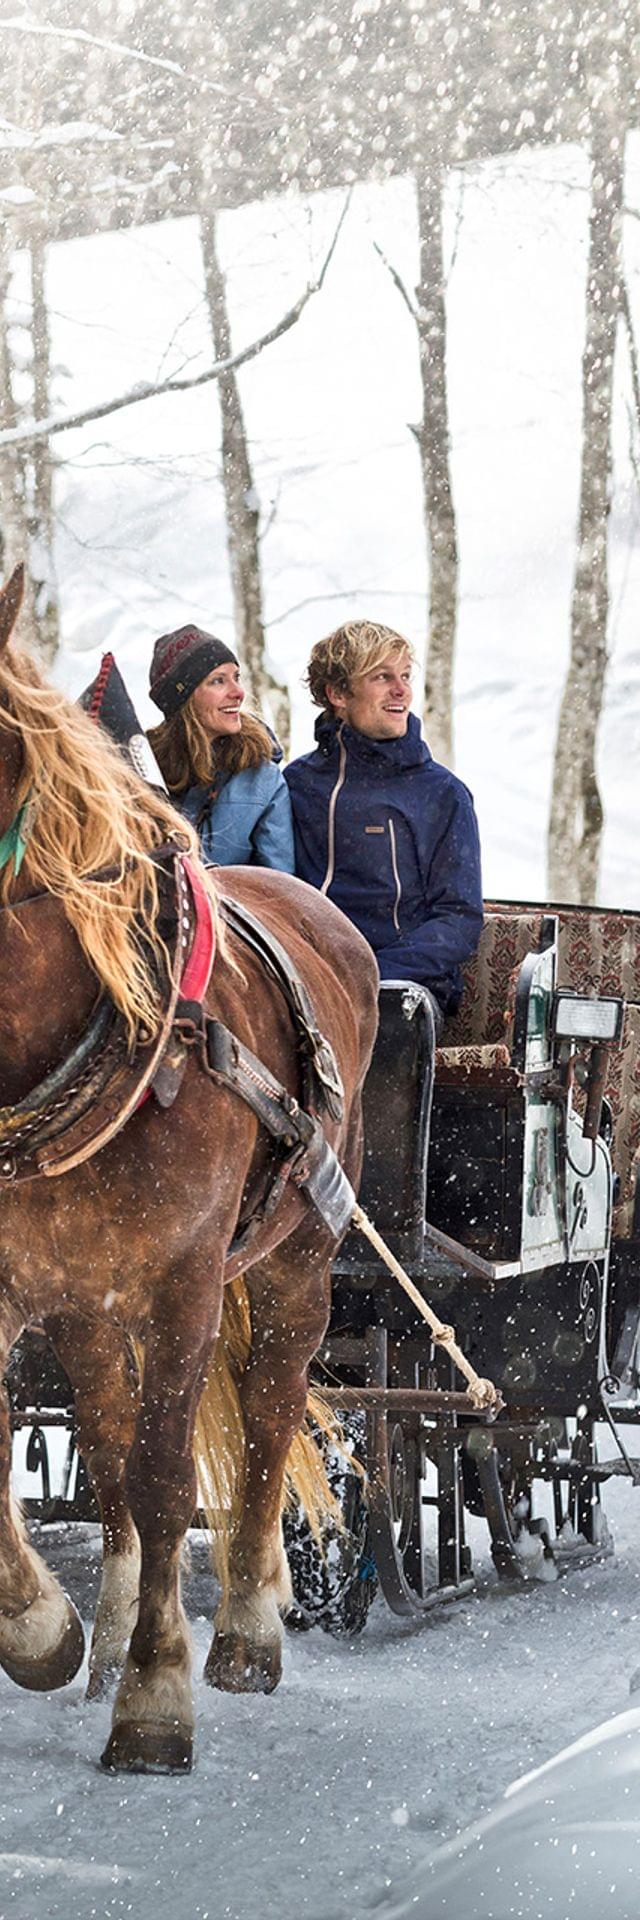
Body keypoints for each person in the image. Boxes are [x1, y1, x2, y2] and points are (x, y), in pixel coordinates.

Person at [284, 619, 483, 1034]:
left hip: (399, 989)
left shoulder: (442, 794)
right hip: (304, 976)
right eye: (382, 676)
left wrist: (373, 975)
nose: (402, 690)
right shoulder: (296, 784)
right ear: (338, 694)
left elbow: (458, 918)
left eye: (406, 676)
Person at [147, 623, 295, 872]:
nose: (238, 692)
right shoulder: (144, 772)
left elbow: (279, 887)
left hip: (232, 908)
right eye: (218, 681)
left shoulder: (261, 777)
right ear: (182, 698)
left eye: (236, 678)